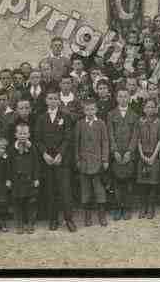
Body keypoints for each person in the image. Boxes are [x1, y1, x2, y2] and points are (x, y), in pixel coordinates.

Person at [34, 89, 76, 232]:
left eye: (55, 98)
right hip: (47, 160)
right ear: (46, 101)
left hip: (61, 160)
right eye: (50, 98)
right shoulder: (41, 118)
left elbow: (68, 137)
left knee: (65, 190)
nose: (52, 101)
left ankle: (68, 219)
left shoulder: (65, 116)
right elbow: (38, 139)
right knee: (50, 191)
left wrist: (60, 154)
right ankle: (53, 219)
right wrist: (44, 154)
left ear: (59, 101)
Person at [74, 99, 110, 227]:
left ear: (96, 110)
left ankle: (102, 215)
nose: (90, 112)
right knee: (86, 190)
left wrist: (105, 159)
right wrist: (77, 159)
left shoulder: (101, 123)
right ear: (84, 111)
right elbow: (76, 143)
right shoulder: (80, 124)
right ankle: (87, 216)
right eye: (87, 109)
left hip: (97, 162)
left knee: (99, 190)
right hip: (84, 162)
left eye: (92, 109)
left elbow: (105, 142)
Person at [108, 88, 140, 221]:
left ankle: (127, 207)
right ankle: (117, 207)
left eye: (125, 96)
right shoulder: (111, 114)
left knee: (128, 182)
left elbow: (135, 136)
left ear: (129, 98)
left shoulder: (134, 115)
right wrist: (114, 151)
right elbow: (110, 134)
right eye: (120, 96)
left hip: (128, 154)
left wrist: (129, 152)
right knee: (116, 182)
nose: (122, 99)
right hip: (116, 154)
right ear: (116, 98)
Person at [7, 123, 40, 234]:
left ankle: (30, 223)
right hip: (16, 181)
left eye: (25, 133)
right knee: (17, 203)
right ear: (16, 135)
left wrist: (36, 178)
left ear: (29, 134)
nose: (22, 136)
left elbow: (36, 164)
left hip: (29, 180)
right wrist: (9, 179)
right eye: (20, 133)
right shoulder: (12, 149)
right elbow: (8, 165)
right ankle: (19, 224)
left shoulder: (32, 148)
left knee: (31, 202)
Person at [137, 99, 160, 219]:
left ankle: (152, 207)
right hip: (143, 155)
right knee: (143, 184)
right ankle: (143, 207)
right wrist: (142, 155)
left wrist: (153, 156)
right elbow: (137, 139)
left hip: (154, 155)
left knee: (153, 184)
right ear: (144, 109)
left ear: (156, 109)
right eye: (148, 107)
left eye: (152, 107)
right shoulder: (140, 122)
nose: (150, 109)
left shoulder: (159, 122)